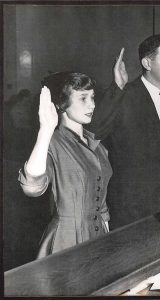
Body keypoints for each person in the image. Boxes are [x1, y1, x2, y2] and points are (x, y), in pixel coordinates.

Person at [18, 50, 127, 258]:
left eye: (93, 97)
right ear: (61, 104)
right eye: (83, 98)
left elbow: (101, 203)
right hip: (66, 240)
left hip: (98, 236)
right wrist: (45, 130)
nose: (92, 104)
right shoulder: (53, 142)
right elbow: (31, 187)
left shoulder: (97, 145)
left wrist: (106, 232)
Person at [90, 34, 160, 230]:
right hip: (133, 208)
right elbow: (95, 130)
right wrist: (117, 87)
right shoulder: (124, 95)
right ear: (147, 62)